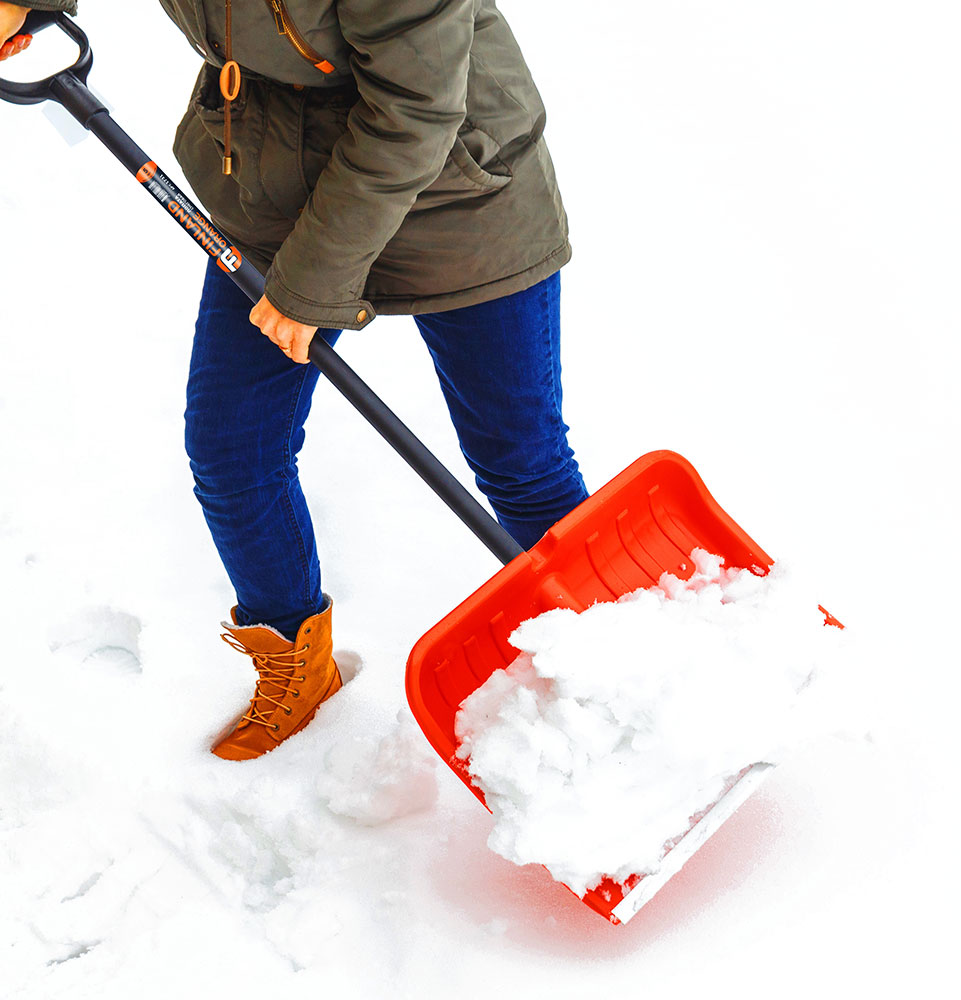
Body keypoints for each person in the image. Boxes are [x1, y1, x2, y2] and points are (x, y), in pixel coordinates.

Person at [1, 0, 588, 760]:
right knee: (231, 451)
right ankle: (297, 664)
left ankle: (609, 661)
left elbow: (415, 108)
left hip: (458, 193)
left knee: (521, 463)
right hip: (278, 182)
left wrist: (308, 288)